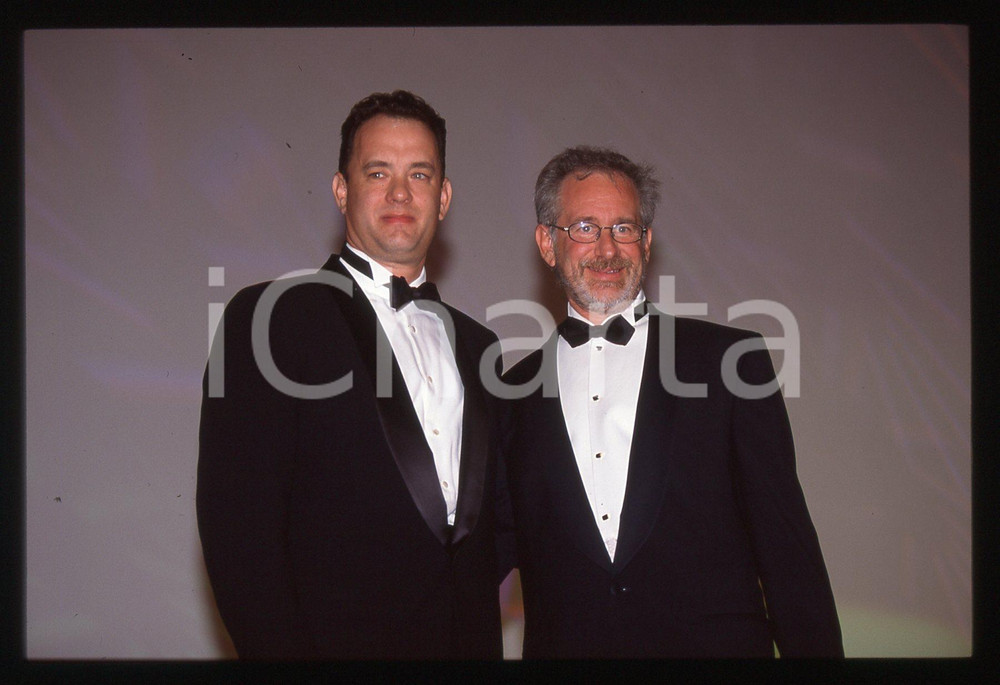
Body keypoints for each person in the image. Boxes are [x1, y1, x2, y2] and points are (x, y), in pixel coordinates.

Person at [197, 90, 512, 659]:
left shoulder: (481, 345)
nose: (399, 192)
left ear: (442, 198)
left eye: (419, 174)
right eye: (377, 172)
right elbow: (238, 536)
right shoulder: (271, 319)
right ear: (342, 190)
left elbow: (488, 532)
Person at [500, 146, 843, 658]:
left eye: (625, 228)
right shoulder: (512, 390)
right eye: (586, 228)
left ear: (647, 241)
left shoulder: (731, 362)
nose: (608, 249)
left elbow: (788, 551)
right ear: (548, 244)